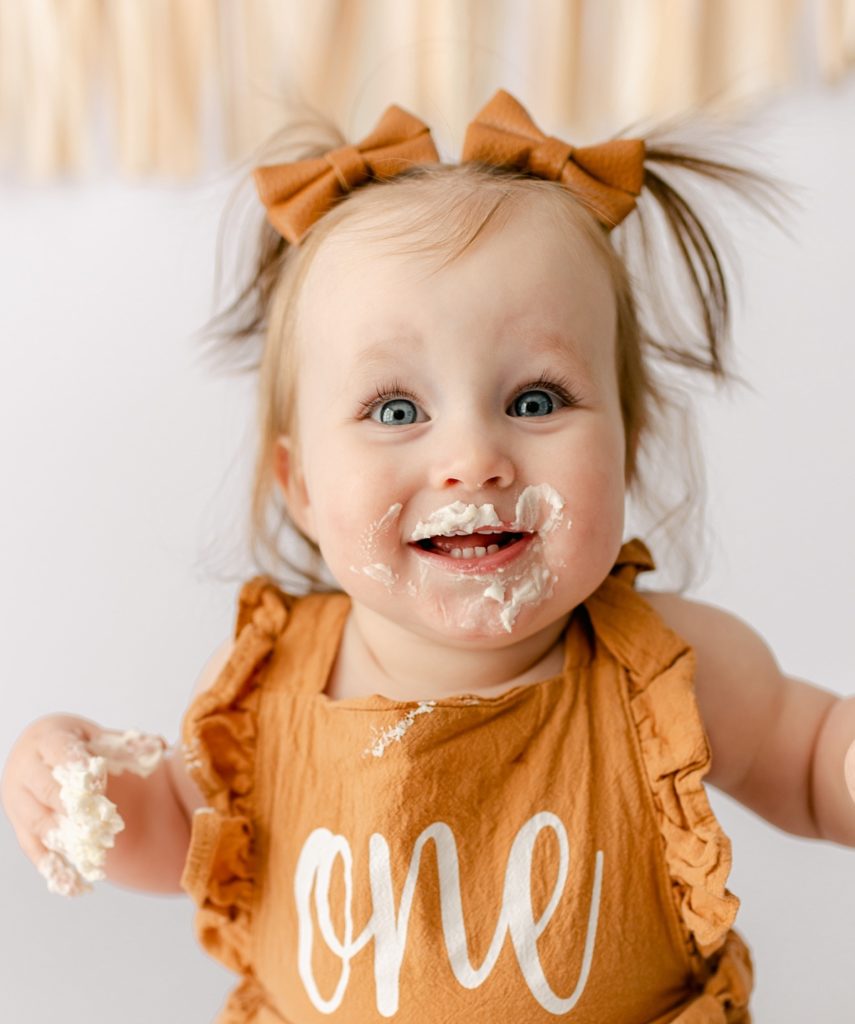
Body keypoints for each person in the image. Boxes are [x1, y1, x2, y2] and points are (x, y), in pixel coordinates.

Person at [2, 89, 854, 1022]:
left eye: (534, 401)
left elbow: (813, 761)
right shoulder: (270, 688)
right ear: (302, 486)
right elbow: (174, 832)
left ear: (627, 442)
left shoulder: (667, 678)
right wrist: (75, 790)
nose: (472, 461)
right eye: (397, 411)